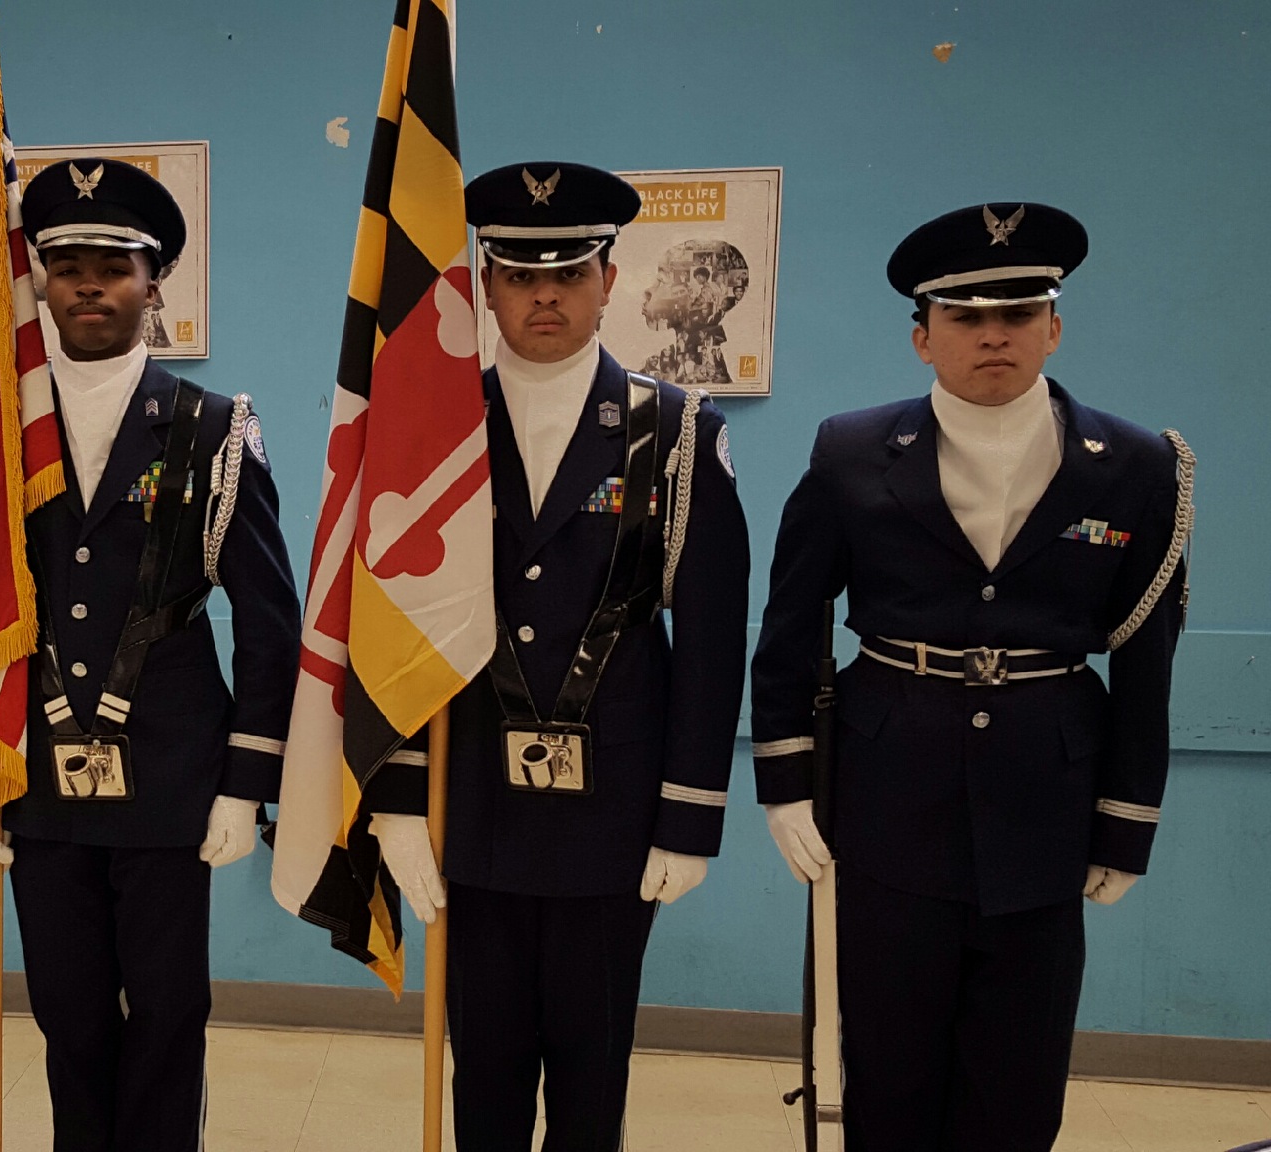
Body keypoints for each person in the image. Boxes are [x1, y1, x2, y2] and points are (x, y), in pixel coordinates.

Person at [750, 202, 1193, 1150]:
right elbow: (790, 625)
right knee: (890, 1075)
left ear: (1054, 327)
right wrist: (784, 788)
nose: (994, 333)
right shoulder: (852, 451)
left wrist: (1128, 817)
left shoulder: (1137, 467)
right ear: (923, 338)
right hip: (884, 798)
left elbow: (1149, 655)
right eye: (964, 315)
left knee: (1018, 1084)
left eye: (1020, 312)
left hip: (1047, 801)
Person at [372, 162, 751, 1151]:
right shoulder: (433, 429)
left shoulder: (673, 436)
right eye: (518, 273)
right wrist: (399, 798)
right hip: (474, 807)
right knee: (485, 1078)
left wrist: (688, 817)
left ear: (608, 283)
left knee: (591, 1080)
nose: (544, 294)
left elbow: (709, 645)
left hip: (612, 815)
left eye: (568, 273)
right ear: (484, 285)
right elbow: (395, 621)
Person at [0, 158, 302, 1151]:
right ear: (38, 283)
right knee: (66, 1019)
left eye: (115, 264)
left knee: (163, 1014)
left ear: (156, 283)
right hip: (35, 775)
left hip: (168, 774)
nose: (90, 284)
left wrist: (246, 782)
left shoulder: (211, 430)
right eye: (66, 264)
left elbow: (270, 619)